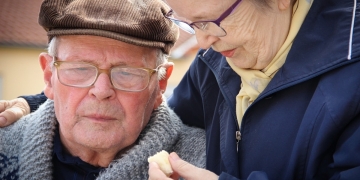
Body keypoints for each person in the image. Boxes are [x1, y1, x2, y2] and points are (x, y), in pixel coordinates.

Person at [1, 0, 360, 179]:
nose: (202, 42)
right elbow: (148, 112)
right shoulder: (217, 60)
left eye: (213, 21)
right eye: (189, 24)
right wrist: (39, 106)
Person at [0, 0, 206, 179]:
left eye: (126, 73)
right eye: (80, 68)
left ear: (160, 84)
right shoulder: (4, 144)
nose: (101, 91)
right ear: (48, 76)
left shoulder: (207, 162)